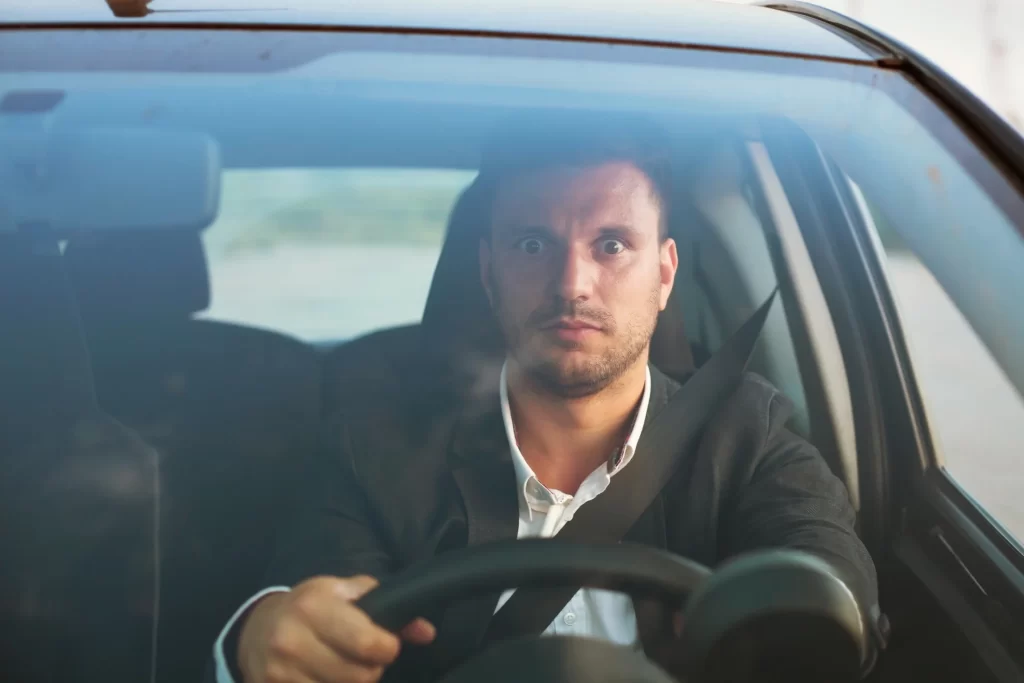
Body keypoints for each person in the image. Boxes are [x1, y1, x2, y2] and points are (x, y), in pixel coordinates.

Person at [212, 117, 878, 683]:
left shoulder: (746, 438)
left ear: (665, 273)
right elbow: (308, 605)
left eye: (611, 244)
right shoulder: (377, 449)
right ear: (487, 271)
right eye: (533, 243)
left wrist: (809, 611)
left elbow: (829, 579)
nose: (571, 283)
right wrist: (259, 633)